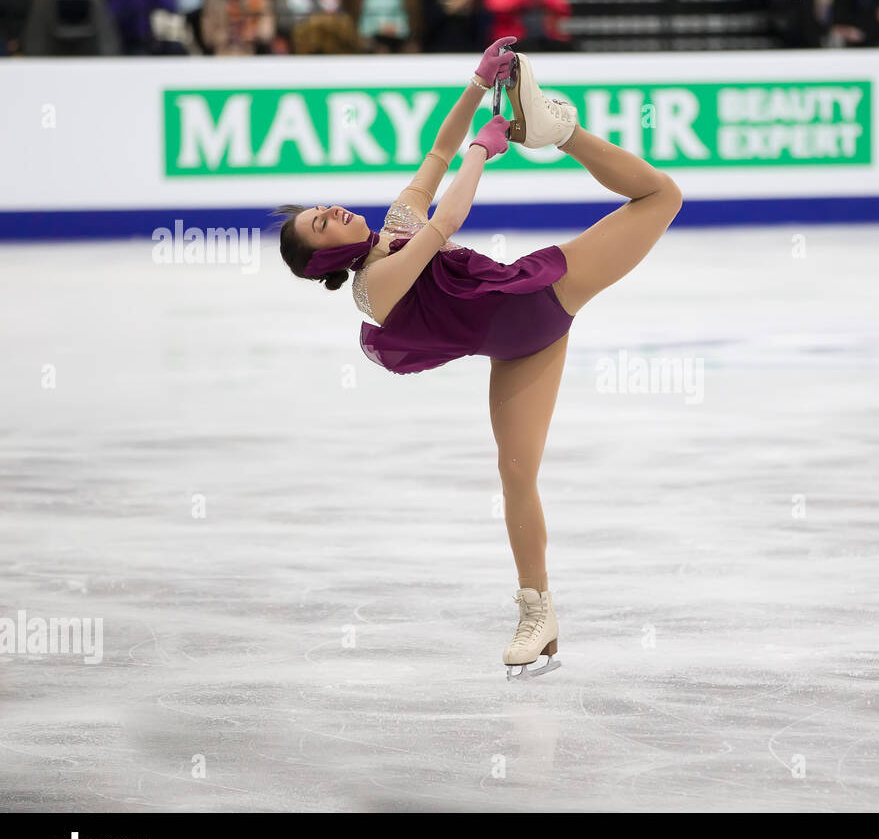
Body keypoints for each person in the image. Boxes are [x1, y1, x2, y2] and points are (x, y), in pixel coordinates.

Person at [274, 40, 682, 679]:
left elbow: (436, 152)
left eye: (319, 210)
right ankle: (537, 611)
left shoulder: (392, 223)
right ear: (325, 259)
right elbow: (449, 216)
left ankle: (559, 129)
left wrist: (475, 83)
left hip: (538, 295)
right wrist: (483, 149)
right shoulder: (373, 289)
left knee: (663, 196)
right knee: (517, 476)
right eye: (320, 226)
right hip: (521, 339)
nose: (328, 212)